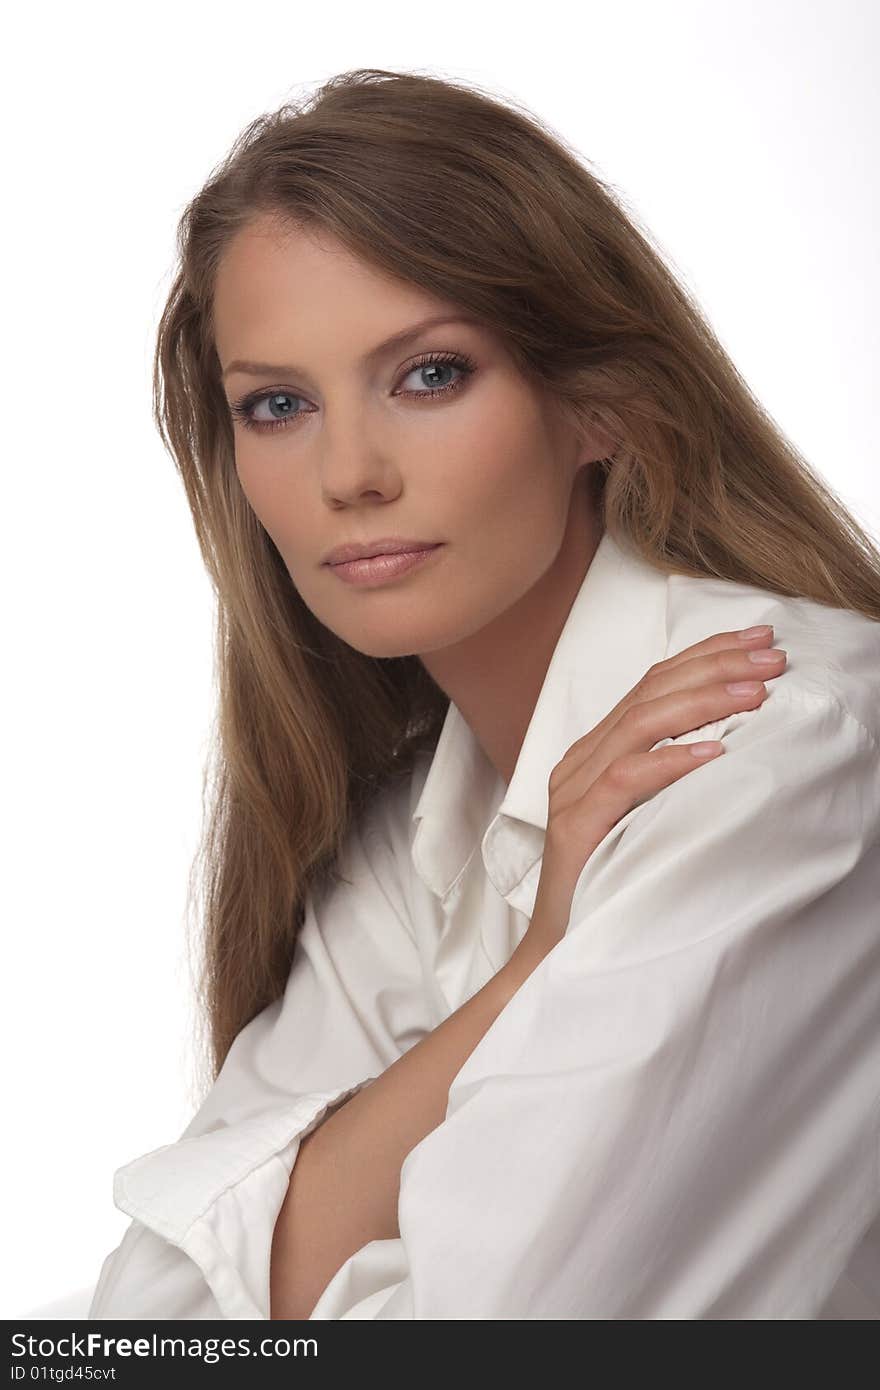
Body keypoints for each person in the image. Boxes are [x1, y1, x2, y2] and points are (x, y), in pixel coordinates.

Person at [87, 68, 880, 1320]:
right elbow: (137, 1321)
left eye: (430, 375)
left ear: (603, 403)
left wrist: (304, 1251)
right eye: (278, 405)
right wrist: (529, 975)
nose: (349, 473)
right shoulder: (410, 826)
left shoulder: (766, 746)